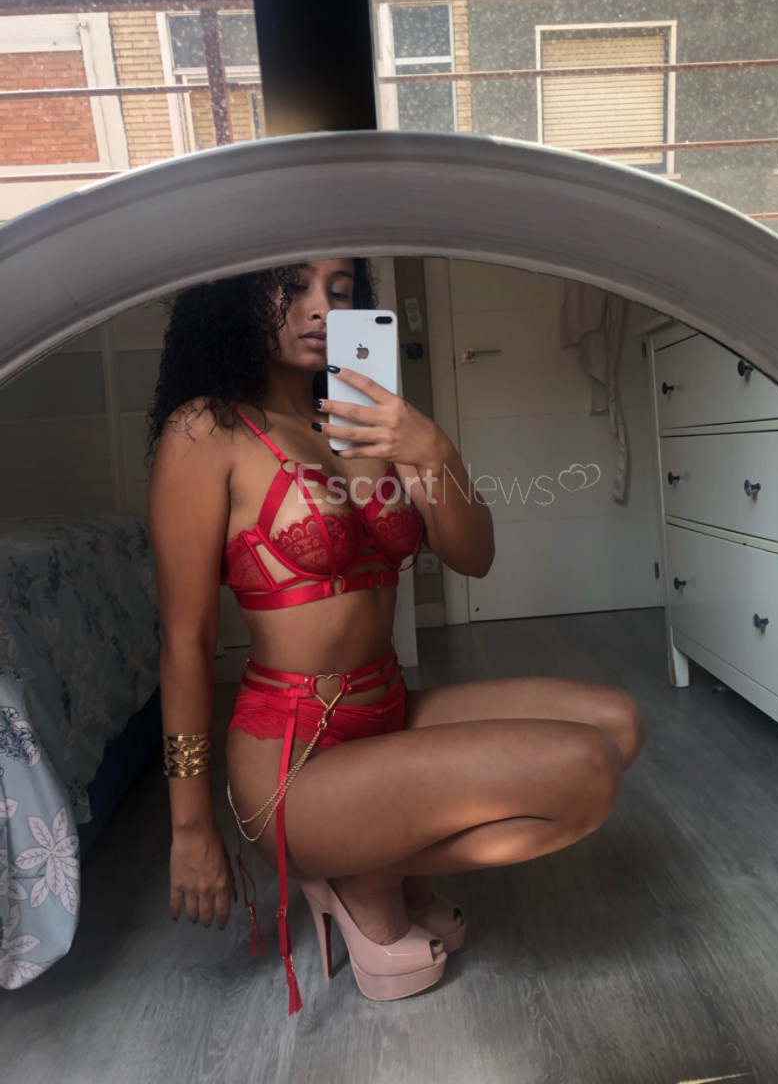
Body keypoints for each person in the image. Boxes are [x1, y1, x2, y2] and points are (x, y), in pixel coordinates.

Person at [145, 257, 646, 1016]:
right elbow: (185, 641)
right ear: (236, 298)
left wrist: (430, 448)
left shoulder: (368, 419)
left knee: (618, 723)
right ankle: (369, 875)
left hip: (387, 708)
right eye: (292, 288)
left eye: (341, 290)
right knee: (585, 771)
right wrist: (190, 828)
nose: (321, 308)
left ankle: (369, 863)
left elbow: (473, 556)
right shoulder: (206, 431)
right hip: (295, 758)